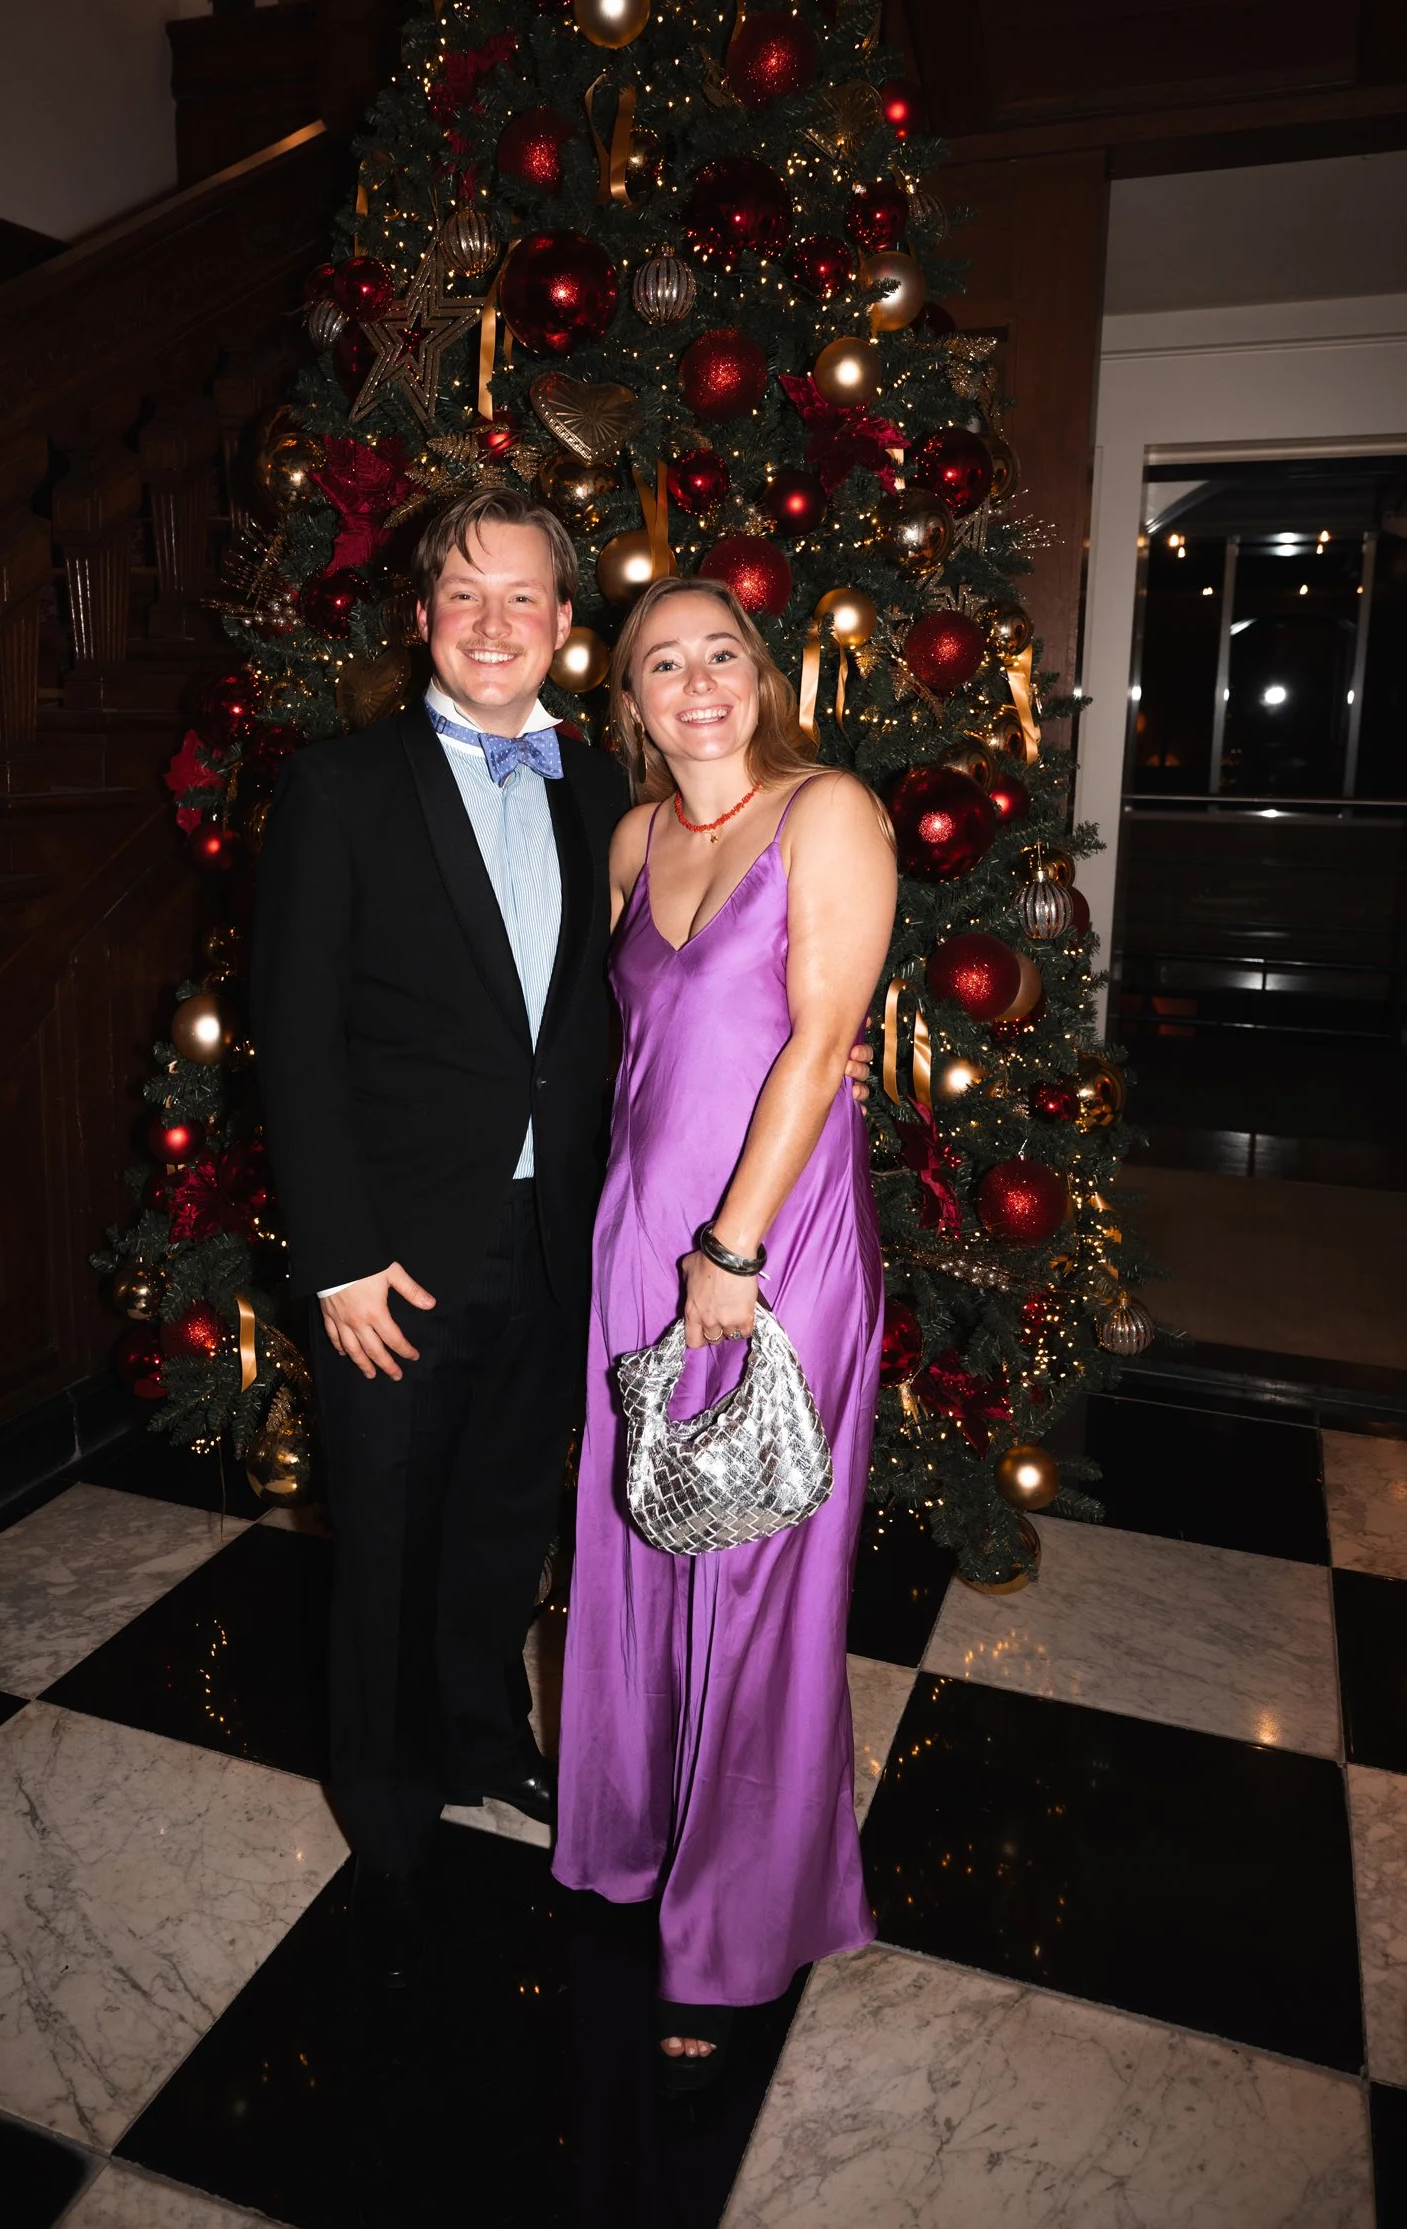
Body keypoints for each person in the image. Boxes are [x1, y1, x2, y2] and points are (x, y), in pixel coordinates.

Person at [253, 487, 628, 1979]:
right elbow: (293, 1036)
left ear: (562, 626)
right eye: (463, 596)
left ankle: (486, 1735)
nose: (493, 625)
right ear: (420, 616)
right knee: (391, 1533)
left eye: (523, 598)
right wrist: (336, 1253)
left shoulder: (604, 787)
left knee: (495, 1526)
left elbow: (639, 1003)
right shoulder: (341, 786)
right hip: (395, 1254)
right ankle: (387, 1787)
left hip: (561, 1240)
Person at [551, 576, 898, 2085]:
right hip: (640, 1239)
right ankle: (632, 1844)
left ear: (760, 678)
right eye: (660, 664)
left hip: (769, 1245)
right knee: (635, 1548)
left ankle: (735, 1928)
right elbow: (636, 1050)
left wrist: (733, 1248)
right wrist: (653, 1240)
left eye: (721, 656)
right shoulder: (634, 839)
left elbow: (822, 1041)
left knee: (751, 1569)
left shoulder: (826, 812)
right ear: (625, 700)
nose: (696, 683)